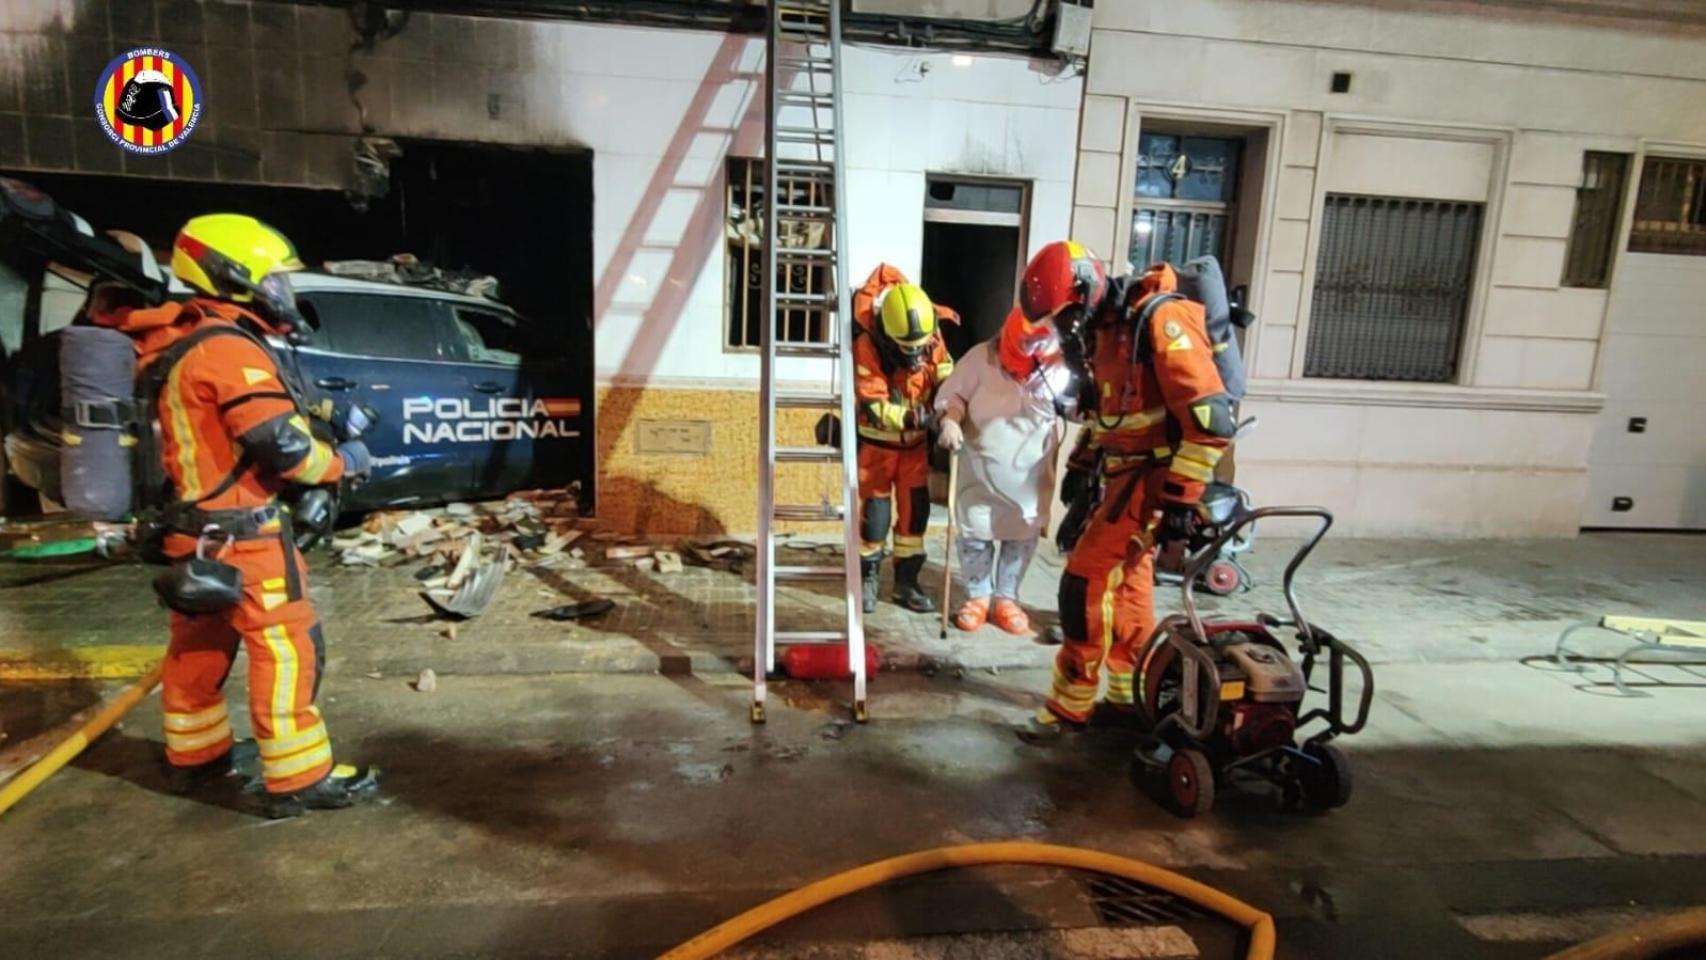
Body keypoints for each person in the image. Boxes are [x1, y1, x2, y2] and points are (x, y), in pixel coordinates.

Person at [101, 214, 380, 816]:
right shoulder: (227, 349)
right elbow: (285, 448)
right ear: (232, 276)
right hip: (243, 535)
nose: (283, 292)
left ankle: (196, 758)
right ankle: (300, 775)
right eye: (274, 279)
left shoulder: (171, 340)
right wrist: (344, 461)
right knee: (287, 647)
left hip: (186, 531)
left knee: (197, 646)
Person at [1017, 241, 1238, 741]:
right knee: (1129, 587)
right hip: (1122, 478)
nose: (1066, 325)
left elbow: (1210, 422)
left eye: (1068, 312)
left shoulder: (1160, 320)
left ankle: (1070, 707)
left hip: (1155, 479)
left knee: (1084, 582)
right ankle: (1127, 698)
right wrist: (1082, 466)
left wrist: (1181, 502)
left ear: (1087, 288)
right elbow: (1109, 415)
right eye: (1059, 319)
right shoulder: (1106, 334)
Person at [933, 305, 1074, 634]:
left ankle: (1006, 597)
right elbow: (953, 395)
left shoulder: (1057, 364)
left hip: (1030, 476)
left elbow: (1074, 403)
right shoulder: (980, 358)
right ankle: (979, 596)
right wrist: (950, 421)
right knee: (975, 535)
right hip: (980, 472)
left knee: (1020, 537)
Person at [852, 263, 953, 614]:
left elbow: (945, 372)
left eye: (919, 346)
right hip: (876, 449)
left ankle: (906, 583)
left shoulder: (931, 335)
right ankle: (866, 578)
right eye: (906, 347)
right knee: (874, 518)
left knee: (916, 517)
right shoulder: (868, 346)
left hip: (913, 451)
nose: (915, 354)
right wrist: (914, 417)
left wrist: (951, 407)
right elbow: (874, 403)